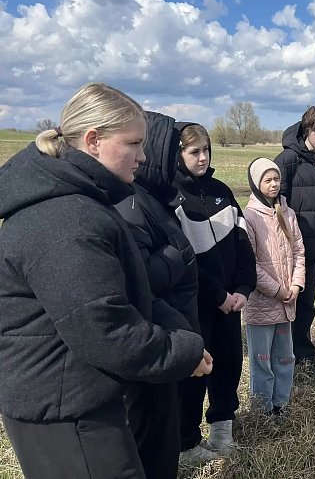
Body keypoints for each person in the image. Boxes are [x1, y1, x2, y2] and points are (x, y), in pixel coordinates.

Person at [0, 82, 209, 479]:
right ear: (93, 140)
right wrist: (182, 352)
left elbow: (129, 292)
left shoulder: (84, 202)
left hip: (82, 396)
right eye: (134, 143)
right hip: (63, 412)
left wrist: (182, 333)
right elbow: (105, 330)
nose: (143, 156)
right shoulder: (64, 219)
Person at [114, 111, 202, 478]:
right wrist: (179, 254)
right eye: (170, 152)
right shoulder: (132, 204)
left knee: (167, 428)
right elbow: (138, 277)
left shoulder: (153, 198)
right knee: (152, 437)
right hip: (158, 336)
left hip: (173, 327)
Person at [174, 123, 257, 461]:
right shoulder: (172, 198)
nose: (203, 157)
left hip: (231, 303)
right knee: (195, 372)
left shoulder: (222, 191)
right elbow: (183, 260)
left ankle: (222, 433)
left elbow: (242, 242)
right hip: (196, 306)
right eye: (194, 151)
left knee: (228, 365)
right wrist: (218, 296)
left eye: (206, 150)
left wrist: (243, 289)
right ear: (179, 154)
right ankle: (187, 443)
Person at [243, 158, 305, 415]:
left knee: (285, 356)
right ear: (256, 183)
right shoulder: (249, 217)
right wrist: (278, 291)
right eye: (267, 180)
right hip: (262, 304)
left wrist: (296, 285)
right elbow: (250, 264)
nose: (274, 184)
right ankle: (262, 410)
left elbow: (299, 251)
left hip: (287, 302)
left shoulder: (288, 214)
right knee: (262, 360)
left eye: (276, 179)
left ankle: (281, 403)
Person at [274, 104, 315, 364]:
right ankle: (283, 352)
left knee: (307, 301)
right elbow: (275, 201)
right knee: (288, 300)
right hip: (291, 247)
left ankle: (302, 351)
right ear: (307, 129)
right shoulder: (289, 159)